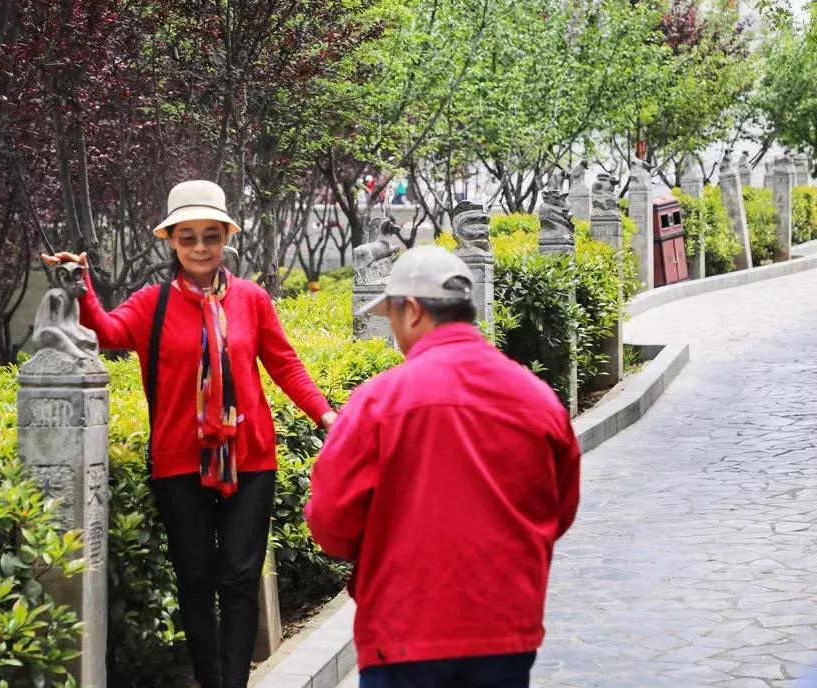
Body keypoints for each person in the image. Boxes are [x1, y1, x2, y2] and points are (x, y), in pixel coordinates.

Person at [48, 180, 338, 688]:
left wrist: (326, 416)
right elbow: (107, 334)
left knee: (240, 578)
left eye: (210, 235)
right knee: (197, 580)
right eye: (188, 237)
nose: (200, 247)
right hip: (179, 461)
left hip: (250, 459)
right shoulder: (151, 303)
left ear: (226, 237)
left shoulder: (250, 299)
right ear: (172, 243)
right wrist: (82, 285)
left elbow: (285, 365)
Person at [304, 245, 581, 688]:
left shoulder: (378, 402)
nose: (393, 331)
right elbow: (560, 509)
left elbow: (330, 522)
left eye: (391, 316)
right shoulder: (537, 398)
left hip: (403, 631)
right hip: (505, 629)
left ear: (411, 310)